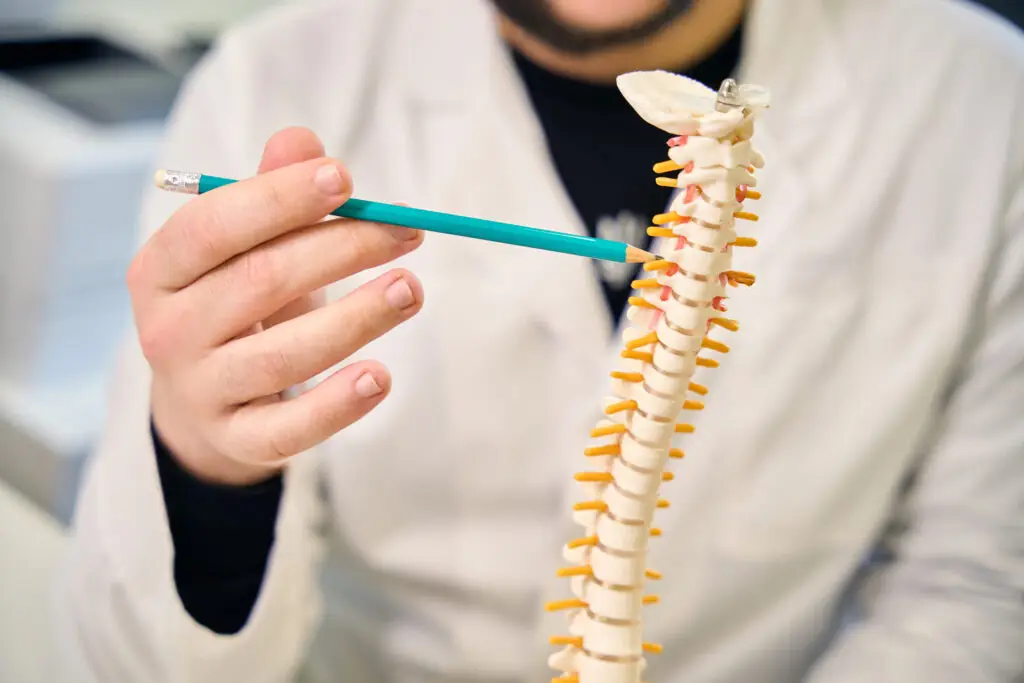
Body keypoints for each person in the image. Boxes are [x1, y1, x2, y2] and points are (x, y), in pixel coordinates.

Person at [55, 0, 1024, 681]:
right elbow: (146, 661)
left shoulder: (981, 104)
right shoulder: (272, 80)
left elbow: (977, 586)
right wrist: (206, 469)